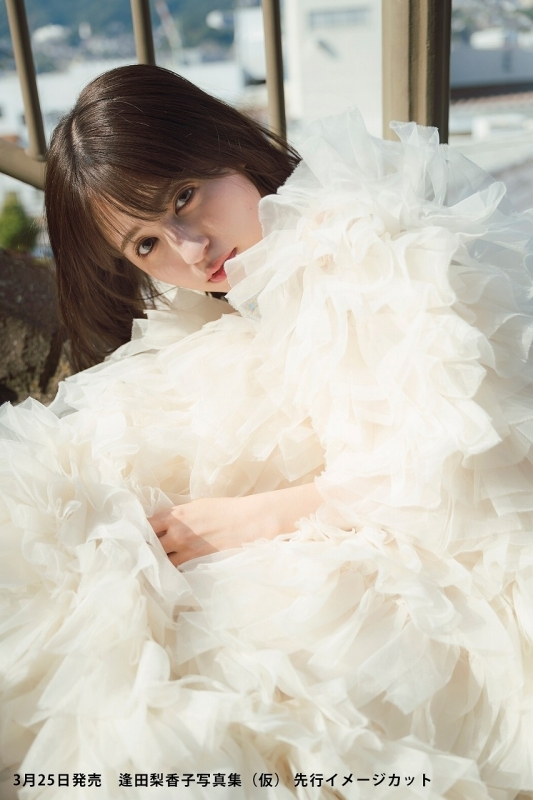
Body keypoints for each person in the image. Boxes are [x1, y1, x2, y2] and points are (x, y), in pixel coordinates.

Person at [0, 64, 531, 800]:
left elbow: (454, 475)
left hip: (458, 550)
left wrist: (252, 516)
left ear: (225, 144)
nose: (191, 250)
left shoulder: (360, 241)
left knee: (184, 689)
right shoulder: (239, 292)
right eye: (147, 245)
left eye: (184, 196)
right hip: (360, 508)